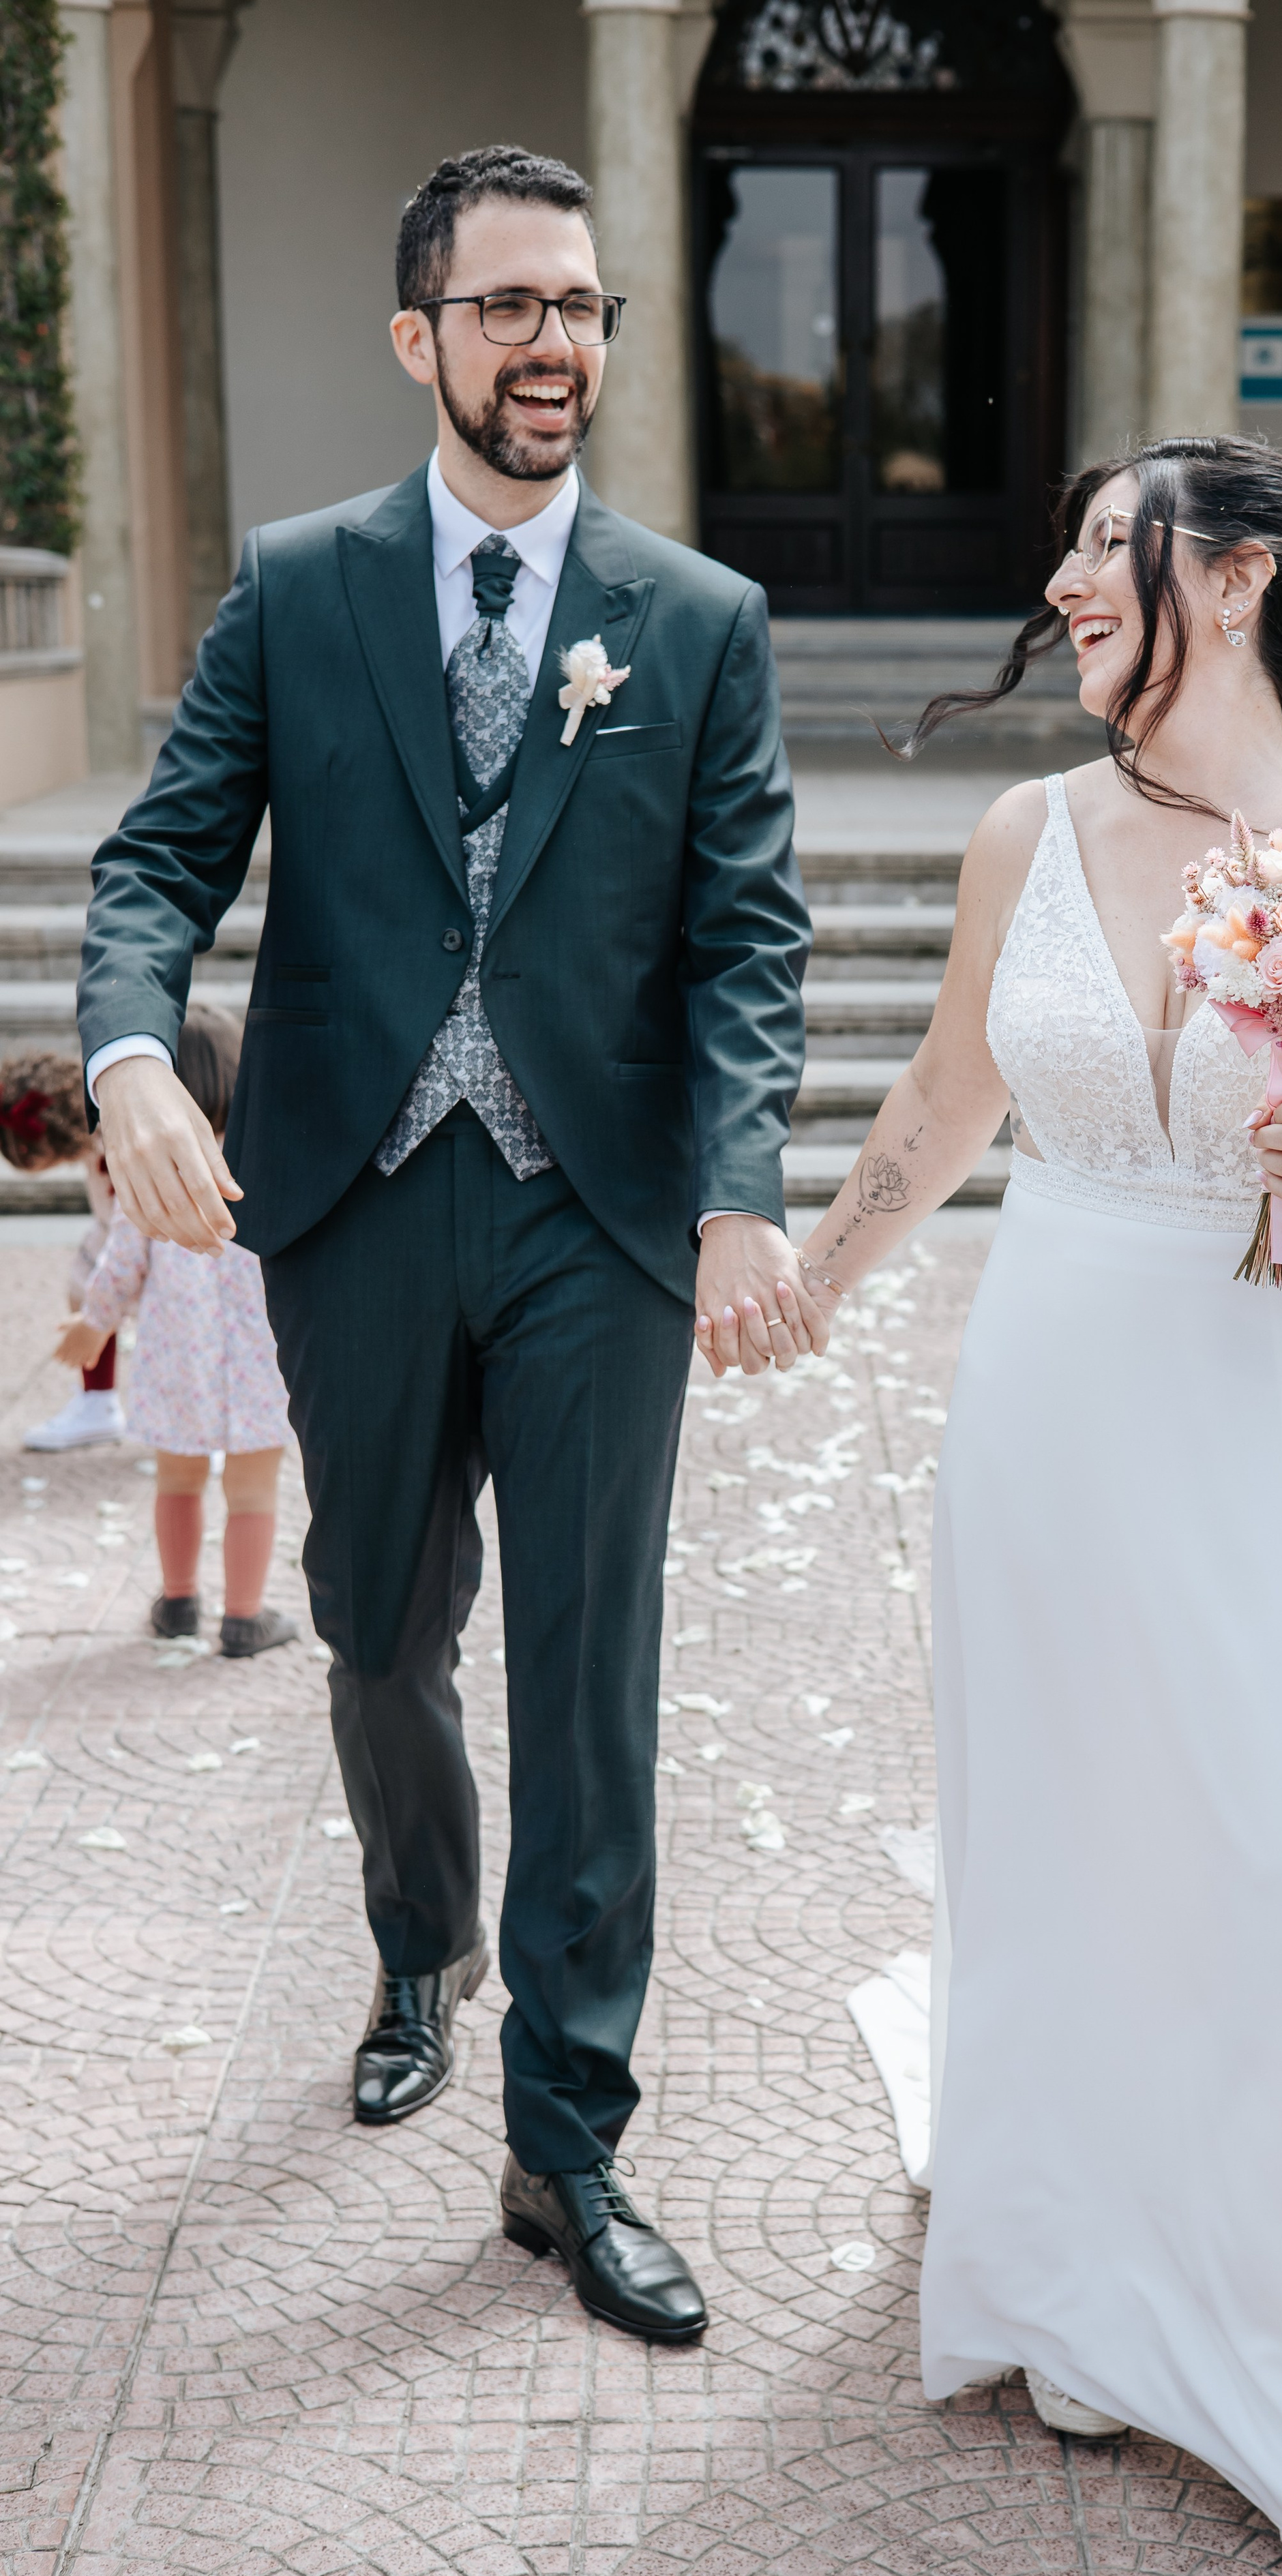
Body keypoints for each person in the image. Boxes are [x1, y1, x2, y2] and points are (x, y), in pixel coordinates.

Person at [76, 145, 824, 2343]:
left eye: (578, 305)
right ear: (421, 336)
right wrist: (130, 1057)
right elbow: (160, 859)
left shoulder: (697, 621)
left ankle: (565, 2137)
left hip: (602, 1214)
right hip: (358, 1197)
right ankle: (423, 1939)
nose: (550, 342)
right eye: (507, 306)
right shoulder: (299, 588)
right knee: (375, 1623)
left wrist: (738, 1182)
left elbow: (749, 938)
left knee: (591, 1668)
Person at [786, 438, 1282, 2571]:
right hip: (1055, 1403)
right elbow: (951, 1096)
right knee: (1074, 1841)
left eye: (1113, 545)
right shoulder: (1026, 831)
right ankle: (1083, 2289)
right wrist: (811, 1284)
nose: (1068, 580)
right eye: (1073, 548)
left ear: (1246, 577)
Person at [57, 1006, 296, 1656]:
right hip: (263, 1357)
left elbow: (122, 1261)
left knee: (178, 1481)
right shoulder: (273, 1160)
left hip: (176, 1357)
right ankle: (244, 1617)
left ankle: (179, 1601)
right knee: (253, 1491)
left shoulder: (153, 1166)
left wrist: (94, 1323)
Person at [0, 1051, 127, 1451]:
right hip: (111, 1228)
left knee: (171, 1320)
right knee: (83, 1288)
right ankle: (98, 1401)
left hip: (146, 1236)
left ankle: (201, 1424)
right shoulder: (89, 1135)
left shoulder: (115, 1131)